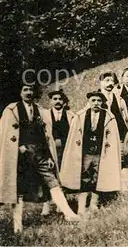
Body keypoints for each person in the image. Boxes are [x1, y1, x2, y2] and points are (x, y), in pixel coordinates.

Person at [0, 79, 80, 233]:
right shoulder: (11, 110)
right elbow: (6, 134)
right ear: (20, 92)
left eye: (31, 90)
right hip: (20, 155)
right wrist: (19, 146)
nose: (28, 93)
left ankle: (69, 214)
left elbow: (46, 135)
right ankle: (18, 226)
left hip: (39, 152)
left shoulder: (40, 110)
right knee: (19, 189)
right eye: (25, 90)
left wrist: (49, 156)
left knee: (53, 181)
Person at [60, 91, 121, 215]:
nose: (96, 103)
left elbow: (111, 136)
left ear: (102, 102)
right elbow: (75, 135)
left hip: (100, 153)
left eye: (99, 101)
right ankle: (81, 207)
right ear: (88, 102)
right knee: (85, 177)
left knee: (98, 177)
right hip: (86, 153)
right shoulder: (81, 116)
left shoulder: (108, 116)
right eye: (93, 100)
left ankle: (93, 204)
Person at [41, 88, 75, 216]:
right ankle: (46, 204)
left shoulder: (71, 116)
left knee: (63, 174)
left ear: (64, 102)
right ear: (50, 101)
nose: (58, 101)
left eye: (60, 99)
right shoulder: (44, 116)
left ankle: (61, 204)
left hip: (66, 151)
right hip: (49, 150)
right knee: (48, 176)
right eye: (55, 99)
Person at [99, 71, 128, 191]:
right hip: (104, 136)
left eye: (111, 81)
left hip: (121, 134)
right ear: (101, 83)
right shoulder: (96, 99)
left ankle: (124, 189)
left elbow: (126, 118)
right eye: (106, 81)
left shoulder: (119, 99)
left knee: (126, 160)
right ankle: (108, 189)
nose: (109, 83)